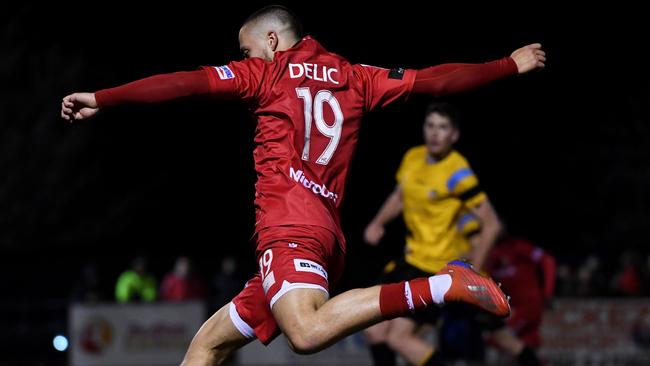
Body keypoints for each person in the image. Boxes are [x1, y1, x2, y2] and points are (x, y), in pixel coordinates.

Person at [60, 5, 545, 365]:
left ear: (272, 41)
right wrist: (507, 64)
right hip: (324, 235)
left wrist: (104, 98)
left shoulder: (267, 74)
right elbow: (435, 82)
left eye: (246, 49)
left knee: (307, 334)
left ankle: (443, 286)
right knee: (207, 346)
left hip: (288, 227)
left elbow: (185, 83)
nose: (243, 58)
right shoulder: (356, 76)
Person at [363, 103, 541, 366]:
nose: (435, 133)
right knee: (374, 329)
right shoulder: (412, 157)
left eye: (443, 128)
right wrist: (377, 222)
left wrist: (472, 276)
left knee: (400, 338)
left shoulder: (458, 172)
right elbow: (400, 196)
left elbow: (491, 224)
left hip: (438, 270)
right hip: (410, 261)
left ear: (454, 135)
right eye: (431, 126)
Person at [485, 232, 557, 349]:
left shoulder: (518, 247)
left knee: (499, 338)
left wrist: (548, 293)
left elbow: (548, 260)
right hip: (514, 308)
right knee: (527, 345)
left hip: (529, 306)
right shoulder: (489, 256)